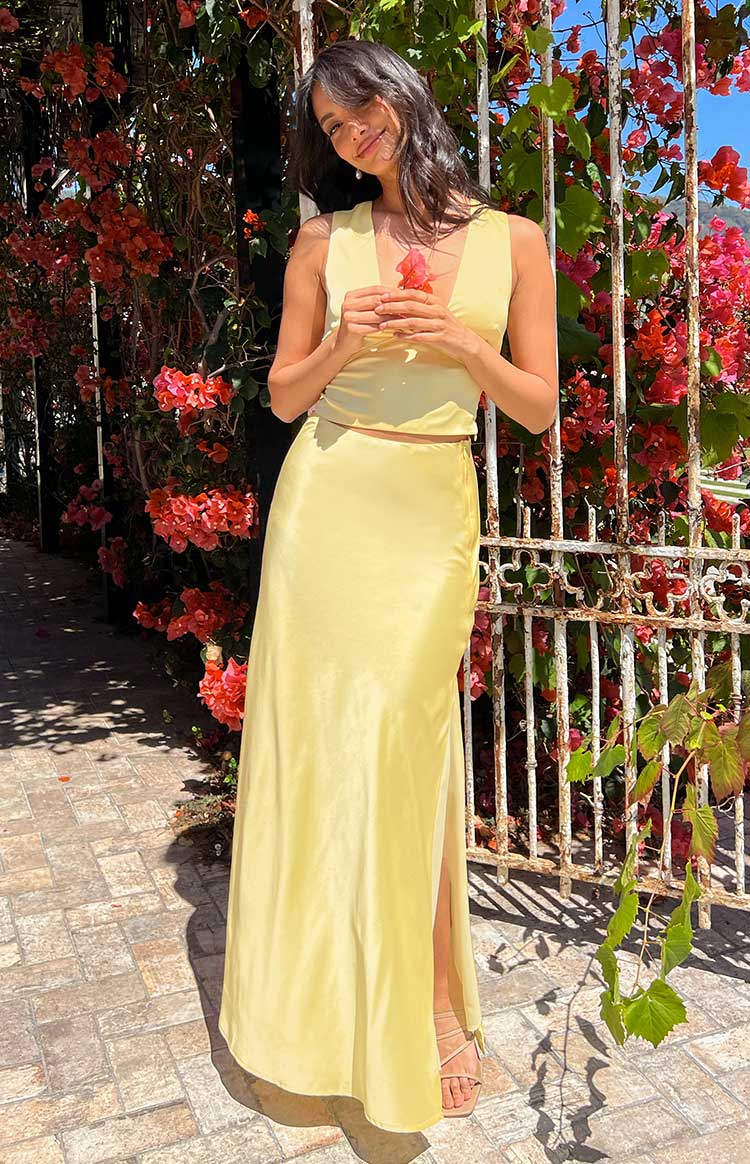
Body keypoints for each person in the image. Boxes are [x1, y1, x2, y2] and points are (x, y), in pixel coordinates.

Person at [218, 37, 558, 1134]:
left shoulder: (515, 242)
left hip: (427, 511)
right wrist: (341, 340)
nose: (352, 134)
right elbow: (284, 396)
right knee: (319, 755)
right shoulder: (326, 240)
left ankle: (435, 1003)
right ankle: (307, 1014)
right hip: (328, 498)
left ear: (404, 96)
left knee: (404, 751)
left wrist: (462, 346)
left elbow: (538, 407)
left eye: (360, 107)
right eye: (331, 127)